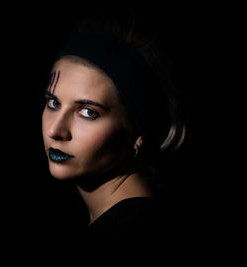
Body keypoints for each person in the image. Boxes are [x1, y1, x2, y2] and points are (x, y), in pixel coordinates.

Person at [40, 11, 187, 260]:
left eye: (88, 112)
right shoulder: (114, 227)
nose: (56, 130)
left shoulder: (128, 239)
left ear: (138, 131)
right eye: (53, 103)